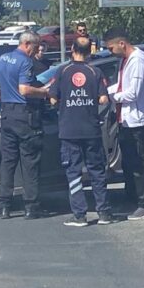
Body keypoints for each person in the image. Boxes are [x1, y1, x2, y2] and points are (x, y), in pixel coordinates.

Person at [49, 36, 113, 227]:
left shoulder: (63, 71)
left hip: (69, 130)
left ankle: (80, 215)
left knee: (74, 173)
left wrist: (65, 104)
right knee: (97, 172)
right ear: (89, 52)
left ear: (72, 49)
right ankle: (104, 213)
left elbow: (52, 99)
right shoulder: (95, 71)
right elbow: (104, 99)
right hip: (91, 129)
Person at [0, 30, 52, 219]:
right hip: (24, 115)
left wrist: (9, 89)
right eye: (35, 47)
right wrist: (43, 92)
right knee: (29, 161)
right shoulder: (25, 61)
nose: (36, 52)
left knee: (8, 162)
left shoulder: (2, 59)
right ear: (27, 44)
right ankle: (31, 206)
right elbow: (25, 90)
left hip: (6, 114)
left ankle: (3, 206)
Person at [103, 27, 144, 221]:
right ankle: (132, 198)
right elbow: (120, 86)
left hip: (135, 119)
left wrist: (111, 97)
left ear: (121, 44)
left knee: (137, 163)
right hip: (124, 118)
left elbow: (132, 92)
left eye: (111, 48)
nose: (111, 52)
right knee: (127, 162)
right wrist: (104, 90)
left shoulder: (137, 61)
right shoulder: (126, 60)